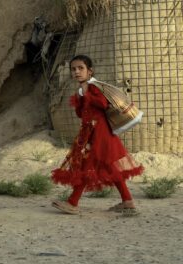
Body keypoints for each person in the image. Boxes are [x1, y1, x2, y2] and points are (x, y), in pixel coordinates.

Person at [51, 55, 143, 215]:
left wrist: (87, 94)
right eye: (73, 69)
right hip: (89, 132)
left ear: (90, 71)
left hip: (100, 133)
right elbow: (81, 114)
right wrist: (79, 99)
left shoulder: (94, 87)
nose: (76, 72)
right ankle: (127, 201)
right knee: (109, 165)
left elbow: (102, 104)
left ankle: (73, 203)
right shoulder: (81, 90)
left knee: (87, 165)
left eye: (81, 68)